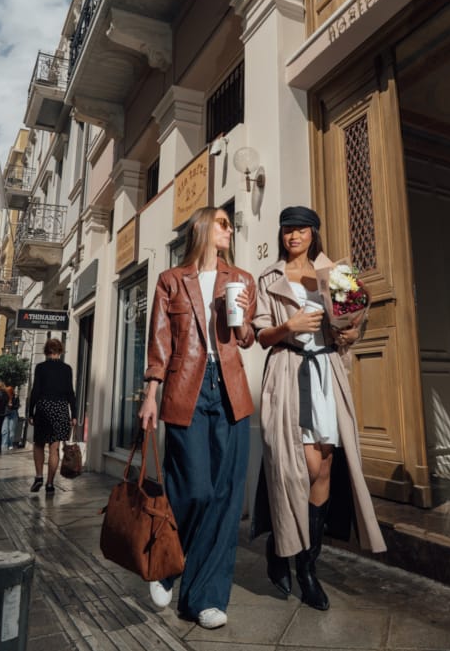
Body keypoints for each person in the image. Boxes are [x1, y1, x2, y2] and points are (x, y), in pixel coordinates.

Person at [253, 205, 386, 611]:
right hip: (289, 374)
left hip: (327, 372)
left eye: (300, 230)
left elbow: (349, 332)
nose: (293, 236)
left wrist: (348, 328)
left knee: (325, 466)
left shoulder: (336, 273)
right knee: (301, 467)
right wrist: (287, 328)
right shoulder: (269, 278)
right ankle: (283, 544)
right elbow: (260, 335)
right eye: (287, 230)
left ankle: (307, 567)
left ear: (314, 233)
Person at [138, 206, 256, 630]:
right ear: (205, 228)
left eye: (230, 225)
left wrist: (242, 316)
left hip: (230, 391)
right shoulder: (171, 280)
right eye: (223, 223)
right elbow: (160, 341)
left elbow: (246, 338)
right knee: (193, 488)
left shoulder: (242, 278)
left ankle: (205, 597)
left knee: (225, 498)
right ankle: (167, 566)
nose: (229, 229)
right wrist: (151, 393)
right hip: (185, 387)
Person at [28, 338, 77, 494]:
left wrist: (30, 411)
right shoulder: (67, 369)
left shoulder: (41, 368)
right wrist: (74, 413)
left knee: (39, 444)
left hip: (44, 406)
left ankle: (38, 476)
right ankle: (50, 484)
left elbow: (35, 390)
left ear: (46, 351)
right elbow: (71, 392)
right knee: (54, 447)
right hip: (61, 408)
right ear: (60, 351)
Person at [1, 385, 20, 451]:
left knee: (11, 430)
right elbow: (2, 405)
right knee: (5, 430)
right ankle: (4, 444)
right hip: (6, 414)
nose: (7, 393)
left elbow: (17, 406)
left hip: (13, 413)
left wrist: (11, 406)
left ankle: (10, 444)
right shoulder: (5, 397)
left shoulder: (16, 397)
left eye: (8, 391)